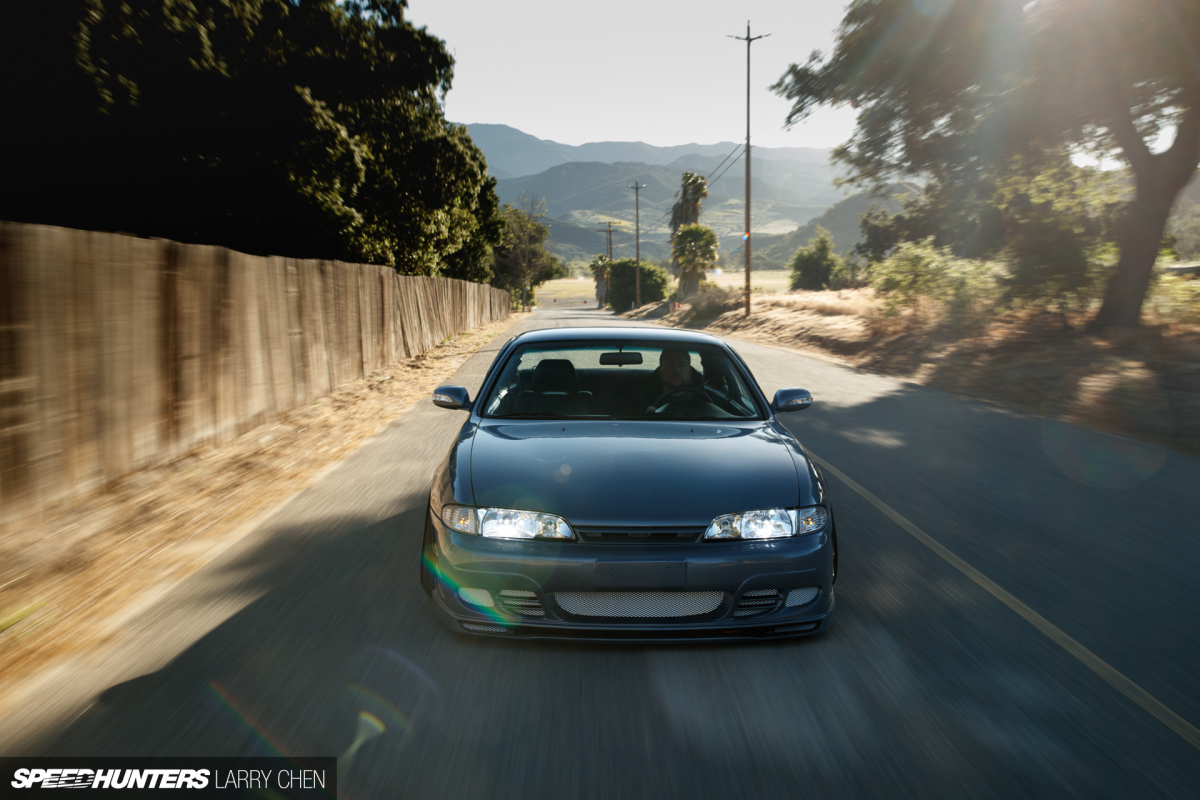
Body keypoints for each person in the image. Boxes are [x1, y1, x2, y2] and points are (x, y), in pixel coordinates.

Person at [627, 345, 703, 414]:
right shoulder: (641, 402)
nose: (676, 369)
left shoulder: (704, 400)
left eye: (682, 365)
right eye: (670, 365)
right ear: (660, 371)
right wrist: (644, 417)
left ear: (690, 372)